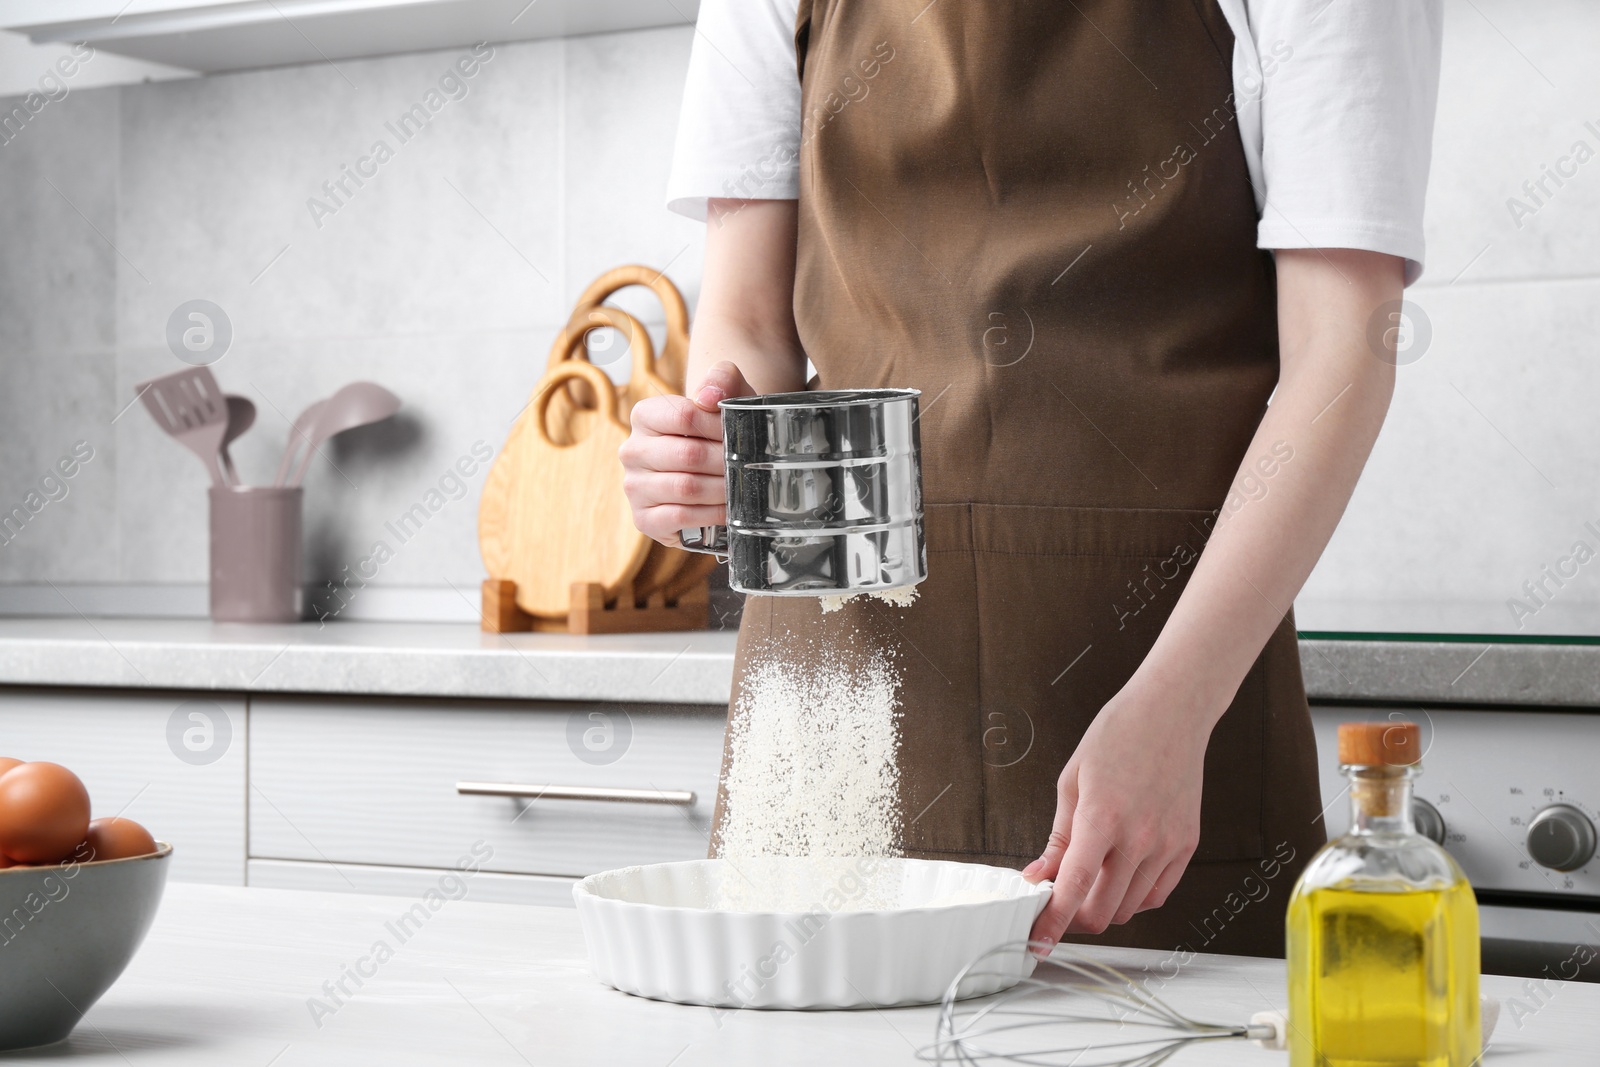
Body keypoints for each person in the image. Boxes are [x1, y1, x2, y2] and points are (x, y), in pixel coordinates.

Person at [620, 0, 1442, 957]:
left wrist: (1175, 709)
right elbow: (749, 333)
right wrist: (704, 467)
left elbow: (1341, 351)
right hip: (824, 725)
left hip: (1152, 707)